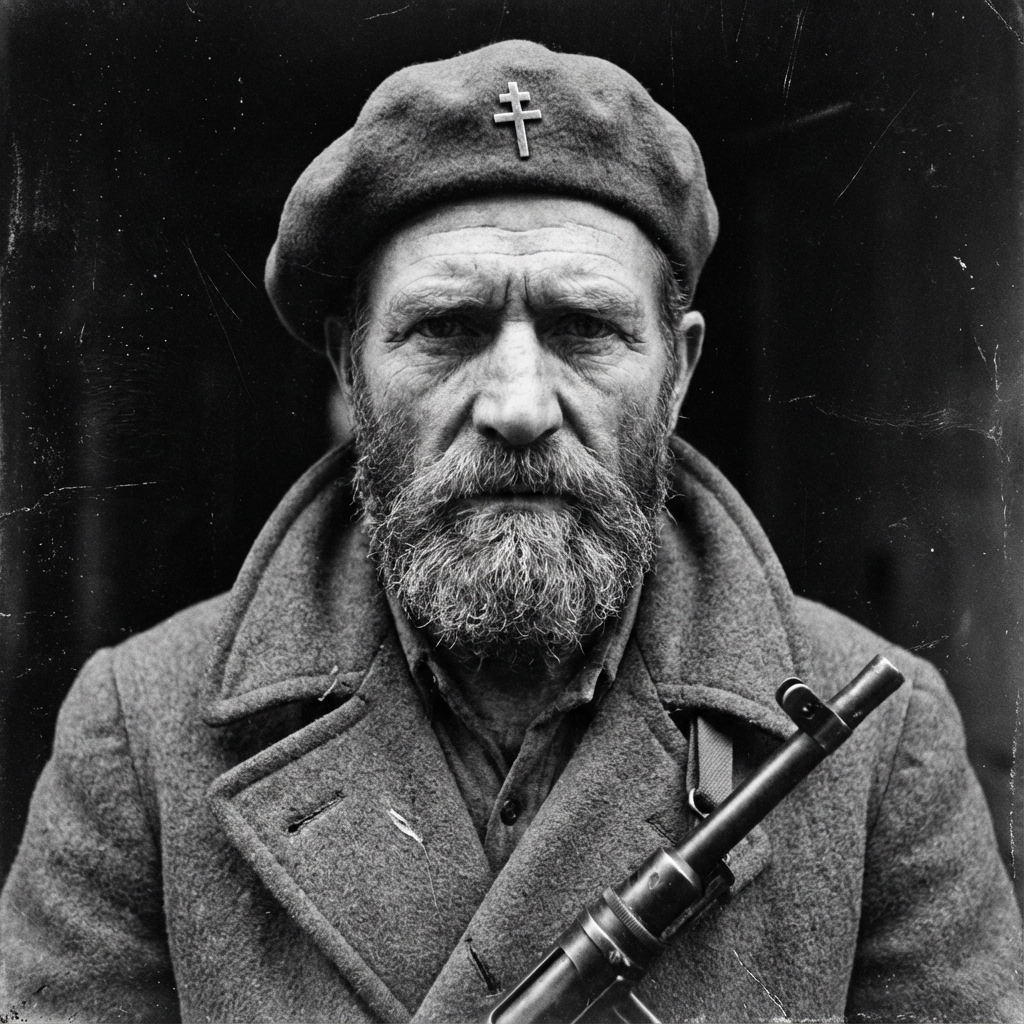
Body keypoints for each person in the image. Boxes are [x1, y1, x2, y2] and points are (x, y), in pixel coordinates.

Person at [0, 39, 1020, 1024]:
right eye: (447, 328)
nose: (520, 405)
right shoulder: (142, 736)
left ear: (678, 376)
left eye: (586, 329)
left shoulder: (879, 749)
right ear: (351, 370)